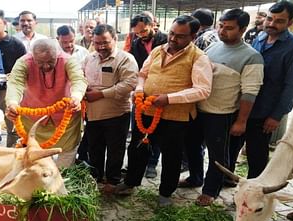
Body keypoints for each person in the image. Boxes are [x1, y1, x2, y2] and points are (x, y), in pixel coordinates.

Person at [115, 15, 212, 207]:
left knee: (172, 155)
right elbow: (143, 73)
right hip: (146, 110)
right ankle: (131, 182)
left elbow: (203, 90)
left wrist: (169, 99)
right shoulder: (158, 50)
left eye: (180, 36)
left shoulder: (199, 57)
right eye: (172, 33)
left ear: (193, 36)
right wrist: (140, 89)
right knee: (137, 148)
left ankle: (166, 192)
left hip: (176, 117)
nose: (173, 39)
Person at [193, 9, 263, 206]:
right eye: (221, 26)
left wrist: (241, 121)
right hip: (199, 109)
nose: (222, 31)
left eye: (229, 28)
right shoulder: (213, 48)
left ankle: (210, 191)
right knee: (192, 147)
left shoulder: (251, 57)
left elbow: (250, 92)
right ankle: (195, 178)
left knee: (217, 156)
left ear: (242, 29)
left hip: (221, 114)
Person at [231, 1, 293, 179]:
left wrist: (276, 116)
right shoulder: (260, 37)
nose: (271, 24)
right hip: (244, 106)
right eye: (269, 19)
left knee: (257, 155)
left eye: (279, 21)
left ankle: (255, 192)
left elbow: (292, 86)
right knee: (232, 148)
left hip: (265, 112)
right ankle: (229, 181)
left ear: (289, 23)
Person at [5, 38, 87, 168]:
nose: (46, 66)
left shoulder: (68, 60)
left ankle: (61, 182)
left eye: (50, 61)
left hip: (65, 115)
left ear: (57, 54)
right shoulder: (24, 62)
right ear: (33, 56)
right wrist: (12, 103)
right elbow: (15, 83)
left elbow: (78, 80)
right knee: (34, 157)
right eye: (40, 62)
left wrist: (76, 97)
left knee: (66, 156)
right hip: (33, 117)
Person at [83, 24, 138, 187]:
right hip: (92, 115)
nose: (101, 47)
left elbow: (129, 84)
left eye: (105, 42)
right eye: (97, 43)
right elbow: (79, 75)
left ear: (115, 39)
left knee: (115, 150)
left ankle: (113, 180)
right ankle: (97, 179)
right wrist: (83, 87)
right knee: (94, 149)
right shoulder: (89, 58)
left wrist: (99, 94)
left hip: (116, 115)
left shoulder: (126, 59)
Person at [179, 7, 219, 189]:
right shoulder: (215, 39)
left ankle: (199, 179)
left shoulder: (201, 41)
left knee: (197, 144)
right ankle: (196, 176)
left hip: (201, 101)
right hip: (204, 101)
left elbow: (195, 70)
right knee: (197, 143)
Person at [129, 13, 167, 178]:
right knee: (139, 129)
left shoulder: (166, 40)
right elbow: (135, 68)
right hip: (141, 93)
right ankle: (136, 166)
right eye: (137, 33)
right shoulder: (136, 43)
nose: (141, 35)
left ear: (153, 25)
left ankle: (152, 163)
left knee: (156, 130)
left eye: (144, 31)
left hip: (160, 93)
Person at [0, 7, 27, 147]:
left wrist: (11, 76)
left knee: (14, 128)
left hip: (10, 91)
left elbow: (25, 69)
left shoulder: (16, 44)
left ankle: (12, 156)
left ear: (5, 23)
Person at [56, 25, 90, 162]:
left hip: (78, 97)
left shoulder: (83, 52)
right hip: (57, 99)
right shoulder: (53, 53)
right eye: (64, 42)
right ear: (57, 39)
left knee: (78, 128)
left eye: (71, 41)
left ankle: (79, 157)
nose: (69, 45)